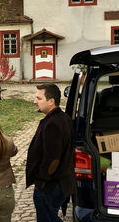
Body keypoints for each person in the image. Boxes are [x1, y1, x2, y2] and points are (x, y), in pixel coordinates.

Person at [26, 83, 75, 222]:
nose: (35, 101)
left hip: (51, 186)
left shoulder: (53, 123)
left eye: (39, 98)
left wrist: (41, 182)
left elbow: (52, 159)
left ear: (51, 101)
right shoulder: (62, 118)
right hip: (59, 183)